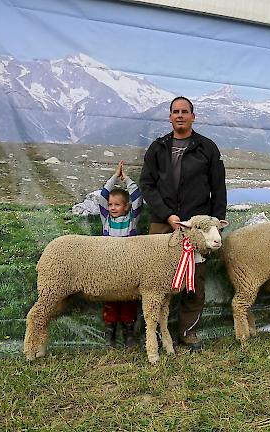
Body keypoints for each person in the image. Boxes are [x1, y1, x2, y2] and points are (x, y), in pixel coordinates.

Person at [140, 96, 226, 352]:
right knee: (152, 280)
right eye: (175, 112)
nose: (180, 115)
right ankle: (151, 331)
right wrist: (166, 214)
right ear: (169, 117)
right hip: (163, 223)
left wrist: (215, 224)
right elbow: (147, 185)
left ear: (193, 116)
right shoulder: (157, 148)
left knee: (194, 279)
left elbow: (218, 189)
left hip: (196, 228)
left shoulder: (207, 148)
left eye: (184, 111)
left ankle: (188, 331)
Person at [97, 160, 143, 347]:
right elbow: (102, 196)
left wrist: (127, 180)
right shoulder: (106, 219)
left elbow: (138, 197)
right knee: (110, 298)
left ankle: (129, 333)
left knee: (128, 299)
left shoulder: (132, 220)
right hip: (109, 265)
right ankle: (110, 333)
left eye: (117, 205)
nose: (113, 208)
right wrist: (115, 177)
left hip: (128, 265)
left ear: (126, 206)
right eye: (111, 205)